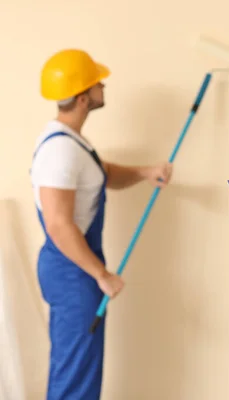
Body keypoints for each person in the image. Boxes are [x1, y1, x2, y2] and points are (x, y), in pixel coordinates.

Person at [30, 49, 173, 400]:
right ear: (82, 98)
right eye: (97, 82)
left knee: (80, 370)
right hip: (73, 271)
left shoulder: (71, 143)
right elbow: (59, 225)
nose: (103, 85)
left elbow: (102, 172)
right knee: (75, 377)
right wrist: (101, 274)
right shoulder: (60, 153)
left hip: (75, 269)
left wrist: (144, 172)